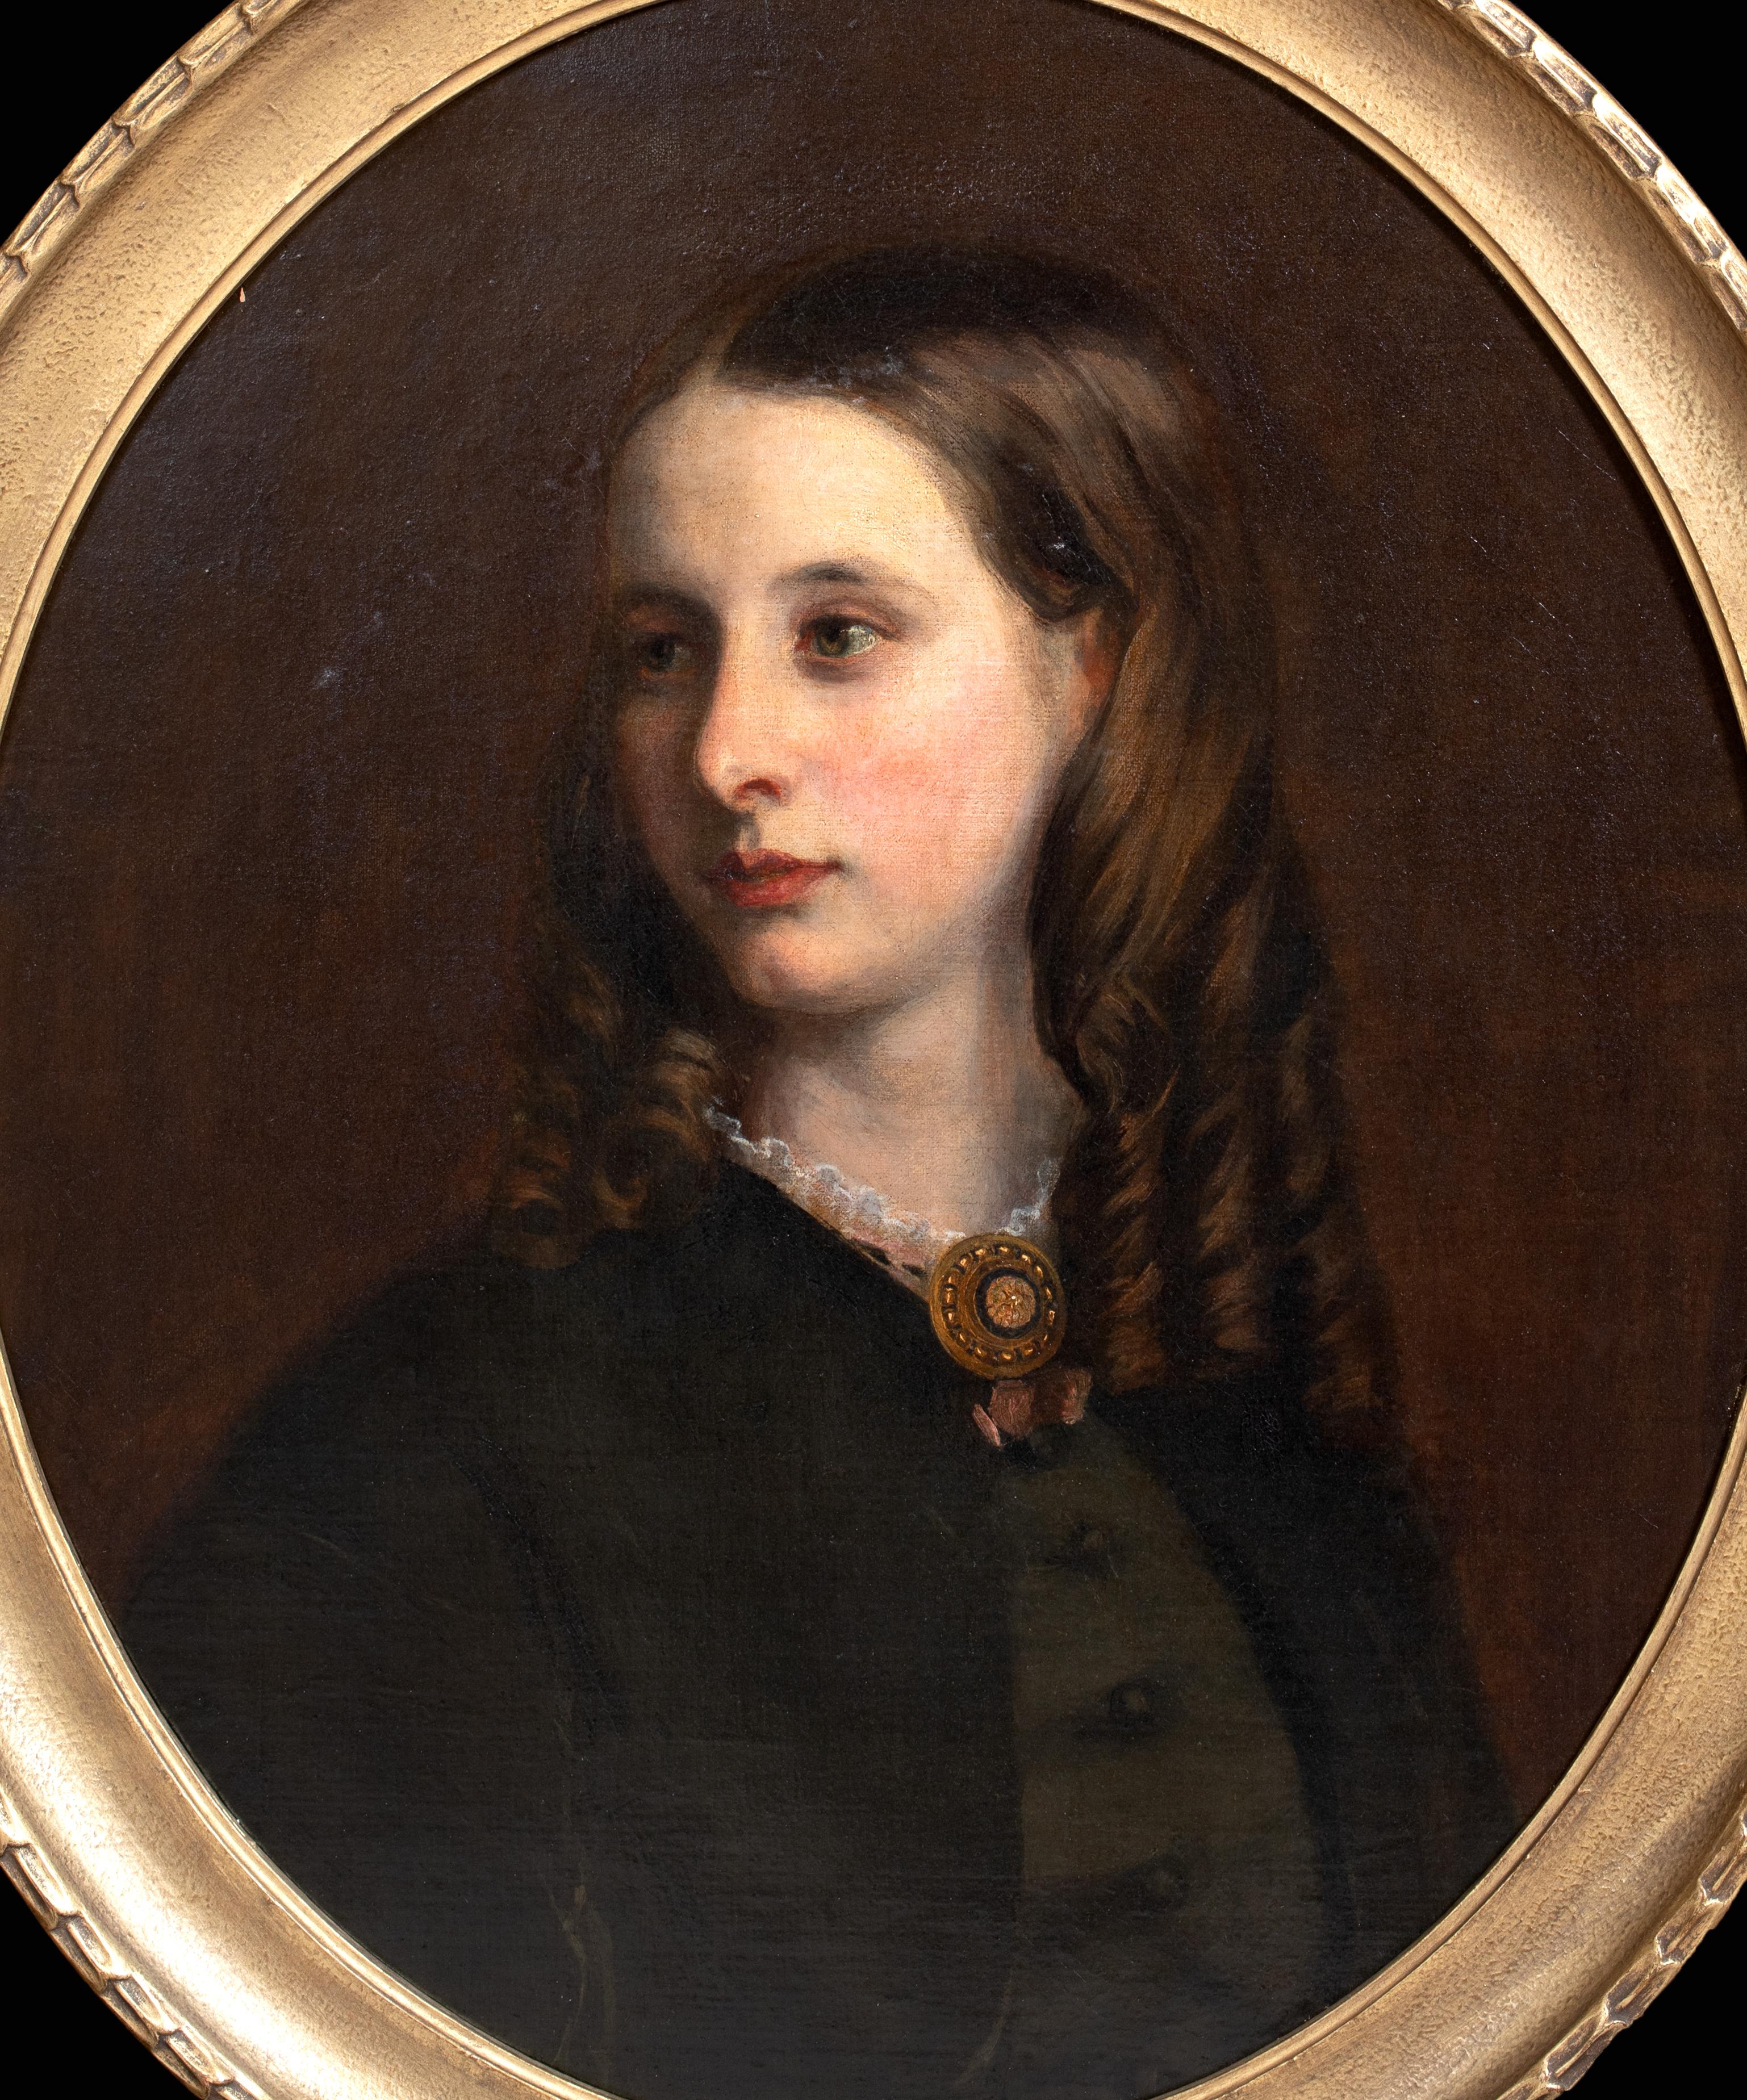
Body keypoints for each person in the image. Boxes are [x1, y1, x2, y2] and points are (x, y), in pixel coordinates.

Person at [123, 248, 1512, 2100]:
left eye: (837, 634)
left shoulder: (1244, 1380)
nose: (725, 752)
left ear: (1093, 666)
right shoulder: (428, 1438)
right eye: (662, 650)